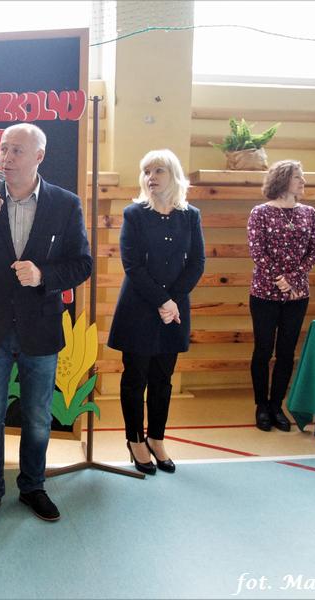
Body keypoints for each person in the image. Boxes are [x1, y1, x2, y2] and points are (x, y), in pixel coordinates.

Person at [0, 123, 92, 529]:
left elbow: (82, 264)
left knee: (39, 416)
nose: (6, 158)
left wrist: (43, 275)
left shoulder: (65, 204)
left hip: (40, 328)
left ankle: (32, 486)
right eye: (3, 149)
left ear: (39, 157)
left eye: (17, 151)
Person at [107, 150, 205, 476]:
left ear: (173, 175)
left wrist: (172, 301)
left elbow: (197, 263)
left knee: (163, 379)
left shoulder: (190, 216)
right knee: (135, 378)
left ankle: (156, 439)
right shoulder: (134, 214)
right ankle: (135, 439)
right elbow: (132, 265)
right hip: (139, 308)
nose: (151, 177)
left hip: (173, 311)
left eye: (158, 170)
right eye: (146, 171)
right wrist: (164, 301)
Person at [247, 160, 315, 432]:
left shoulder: (309, 213)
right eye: (298, 177)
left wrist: (293, 279)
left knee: (287, 351)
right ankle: (261, 405)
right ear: (283, 179)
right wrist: (280, 279)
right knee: (263, 350)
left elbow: (313, 251)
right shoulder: (260, 212)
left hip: (298, 295)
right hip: (264, 293)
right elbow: (257, 251)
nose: (303, 181)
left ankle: (277, 405)